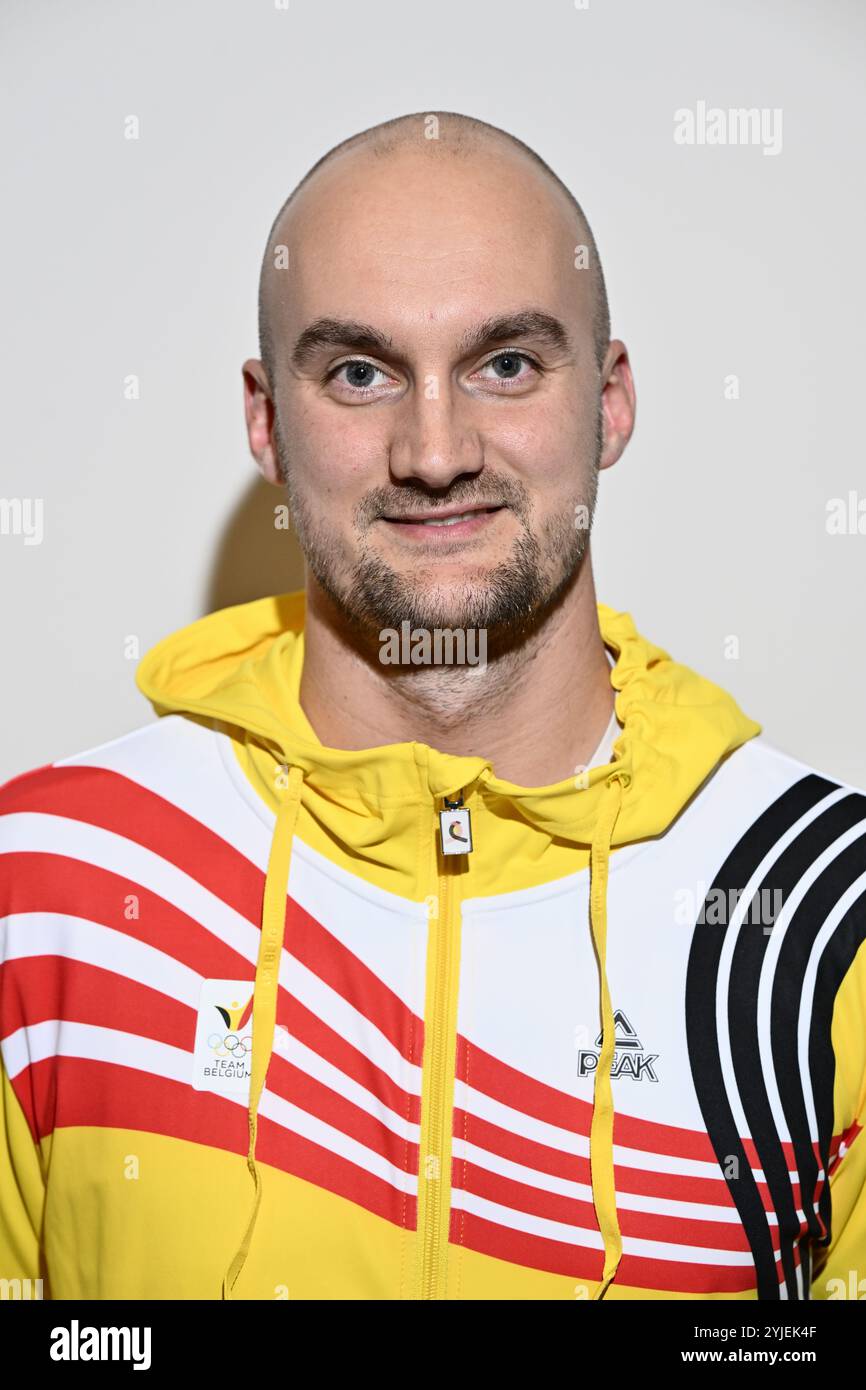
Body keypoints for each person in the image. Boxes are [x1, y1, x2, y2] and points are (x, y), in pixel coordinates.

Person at [1, 110, 864, 1303]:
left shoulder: (831, 913)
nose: (434, 448)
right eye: (358, 373)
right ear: (266, 422)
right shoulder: (45, 883)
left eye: (504, 363)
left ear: (609, 402)